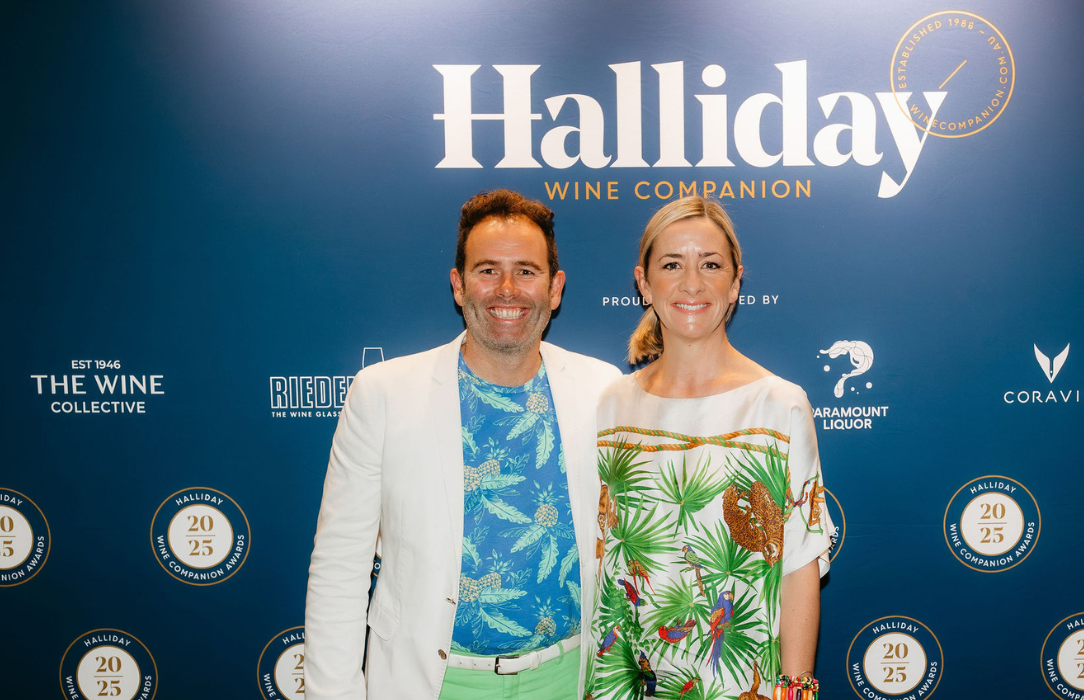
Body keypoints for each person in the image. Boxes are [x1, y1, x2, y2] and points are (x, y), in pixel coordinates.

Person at [305, 189, 622, 700]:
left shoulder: (603, 389)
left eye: (526, 270)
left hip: (572, 677)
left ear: (555, 287)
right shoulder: (382, 394)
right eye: (487, 270)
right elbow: (340, 566)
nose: (507, 289)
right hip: (432, 681)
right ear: (459, 284)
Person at [588, 197, 830, 699]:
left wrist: (796, 690)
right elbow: (605, 560)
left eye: (711, 265)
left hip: (744, 685)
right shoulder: (613, 405)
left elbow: (800, 563)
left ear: (736, 282)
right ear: (643, 282)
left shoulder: (779, 405)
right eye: (672, 265)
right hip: (626, 682)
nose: (692, 283)